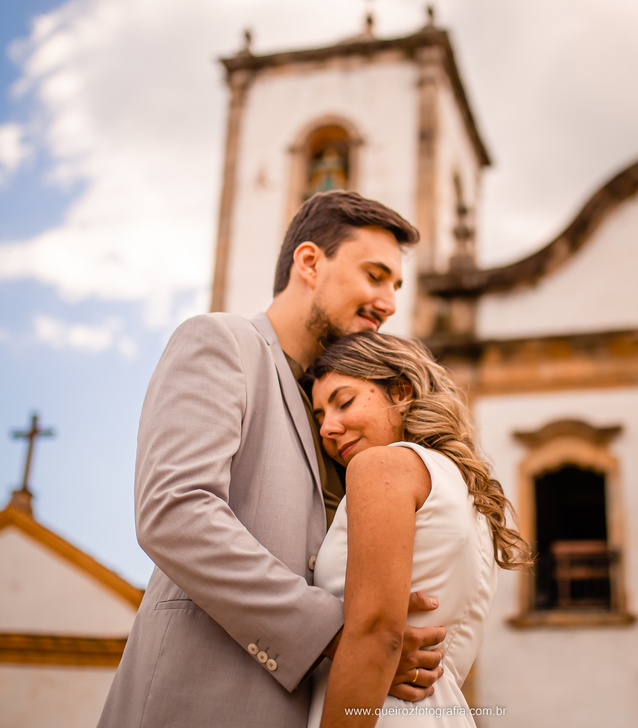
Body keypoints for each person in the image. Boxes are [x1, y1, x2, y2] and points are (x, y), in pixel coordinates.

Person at [98, 191, 446, 728]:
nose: (389, 302)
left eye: (396, 286)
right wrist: (342, 635)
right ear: (310, 262)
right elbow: (175, 511)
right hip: (194, 704)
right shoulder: (221, 343)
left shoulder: (349, 419)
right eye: (375, 275)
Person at [307, 332, 533, 727]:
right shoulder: (469, 495)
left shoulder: (380, 467)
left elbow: (377, 632)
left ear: (400, 392)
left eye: (344, 402)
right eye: (320, 416)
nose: (328, 428)